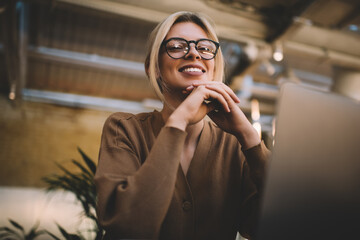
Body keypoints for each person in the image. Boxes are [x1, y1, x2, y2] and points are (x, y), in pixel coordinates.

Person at [94, 11, 270, 240]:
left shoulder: (234, 145)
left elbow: (269, 226)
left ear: (214, 67)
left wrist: (249, 136)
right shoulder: (124, 129)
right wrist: (180, 119)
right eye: (177, 46)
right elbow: (127, 227)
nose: (194, 53)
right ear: (153, 68)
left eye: (205, 48)